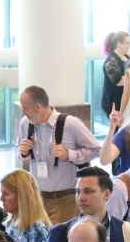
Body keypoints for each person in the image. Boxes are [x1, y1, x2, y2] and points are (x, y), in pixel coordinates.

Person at [16, 84, 101, 224]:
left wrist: (69, 154)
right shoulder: (25, 123)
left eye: (25, 108)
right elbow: (18, 149)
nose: (23, 113)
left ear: (37, 106)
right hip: (37, 198)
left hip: (64, 199)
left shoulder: (70, 123)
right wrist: (22, 152)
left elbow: (96, 150)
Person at [101, 30, 130, 118]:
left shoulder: (128, 58)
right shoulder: (110, 61)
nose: (129, 46)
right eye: (127, 43)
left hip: (126, 100)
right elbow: (118, 81)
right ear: (119, 44)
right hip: (113, 102)